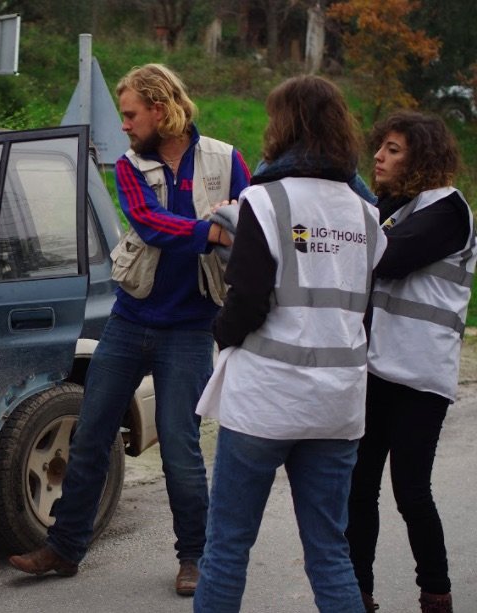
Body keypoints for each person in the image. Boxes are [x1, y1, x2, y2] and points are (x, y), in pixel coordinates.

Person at [8, 63, 250, 596]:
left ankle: (195, 558)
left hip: (190, 327)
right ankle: (66, 548)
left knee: (181, 448)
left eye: (131, 114)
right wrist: (212, 231)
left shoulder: (225, 158)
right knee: (90, 433)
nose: (125, 126)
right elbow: (148, 225)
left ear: (160, 109)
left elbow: (252, 223)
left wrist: (233, 237)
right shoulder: (128, 166)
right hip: (131, 317)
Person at [192, 75, 387, 612]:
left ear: (285, 126)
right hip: (338, 404)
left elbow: (247, 298)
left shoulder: (264, 200)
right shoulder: (367, 214)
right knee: (329, 550)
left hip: (266, 401)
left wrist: (219, 332)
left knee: (228, 546)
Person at [346, 111, 472, 613]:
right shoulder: (391, 209)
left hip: (420, 376)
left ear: (421, 158)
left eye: (393, 150)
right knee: (359, 487)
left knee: (410, 491)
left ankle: (435, 592)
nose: (378, 156)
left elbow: (386, 258)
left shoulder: (447, 210)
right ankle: (358, 593)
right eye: (380, 147)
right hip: (375, 371)